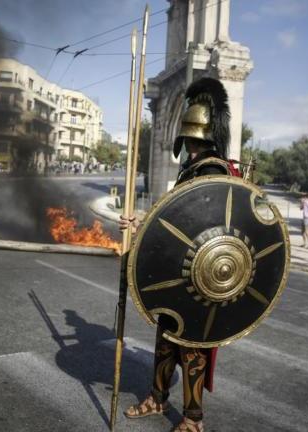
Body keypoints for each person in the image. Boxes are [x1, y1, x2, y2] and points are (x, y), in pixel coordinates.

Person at [119, 77, 233, 432]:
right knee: (167, 338)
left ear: (191, 138)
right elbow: (172, 219)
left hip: (200, 278)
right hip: (180, 274)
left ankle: (193, 419)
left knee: (192, 346)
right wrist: (141, 223)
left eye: (188, 141)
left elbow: (204, 227)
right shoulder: (193, 169)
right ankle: (157, 397)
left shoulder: (212, 170)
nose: (186, 146)